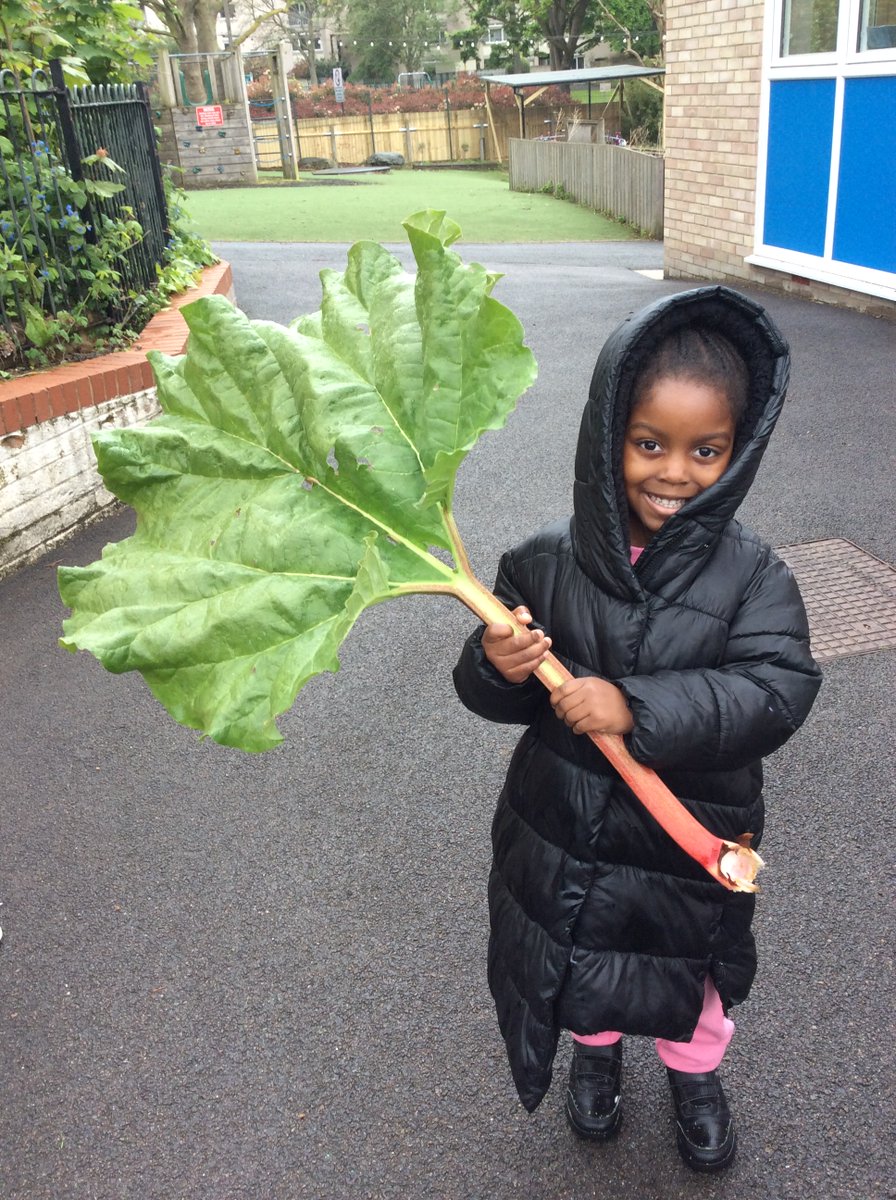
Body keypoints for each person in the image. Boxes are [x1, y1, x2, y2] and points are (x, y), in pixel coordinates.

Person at [452, 286, 822, 1173]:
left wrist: (636, 708)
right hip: (566, 828)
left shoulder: (754, 576)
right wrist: (496, 666)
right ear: (609, 435)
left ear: (738, 454)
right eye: (649, 444)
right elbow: (488, 686)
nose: (673, 472)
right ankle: (596, 1055)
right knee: (585, 967)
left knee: (691, 985)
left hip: (683, 843)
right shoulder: (545, 560)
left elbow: (776, 691)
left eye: (706, 451)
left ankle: (695, 1079)